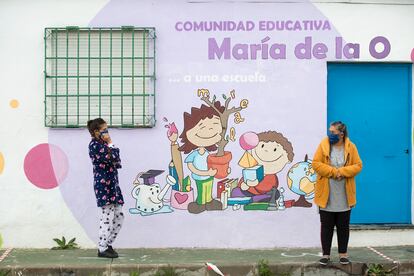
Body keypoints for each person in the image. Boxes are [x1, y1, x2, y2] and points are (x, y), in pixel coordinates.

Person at [312, 121, 362, 266]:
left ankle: (343, 255)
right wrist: (334, 172)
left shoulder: (350, 147)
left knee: (343, 226)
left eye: (333, 132)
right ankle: (326, 255)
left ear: (341, 133)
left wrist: (342, 172)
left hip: (345, 195)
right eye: (330, 131)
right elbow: (316, 163)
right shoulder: (323, 145)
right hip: (326, 194)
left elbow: (358, 165)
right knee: (326, 226)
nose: (330, 134)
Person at [87, 118, 124, 258]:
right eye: (104, 130)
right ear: (96, 132)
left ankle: (107, 243)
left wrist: (111, 149)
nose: (107, 133)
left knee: (119, 216)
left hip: (113, 184)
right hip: (104, 186)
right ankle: (102, 248)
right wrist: (111, 145)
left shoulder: (103, 144)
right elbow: (113, 157)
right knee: (107, 216)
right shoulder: (95, 145)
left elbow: (118, 161)